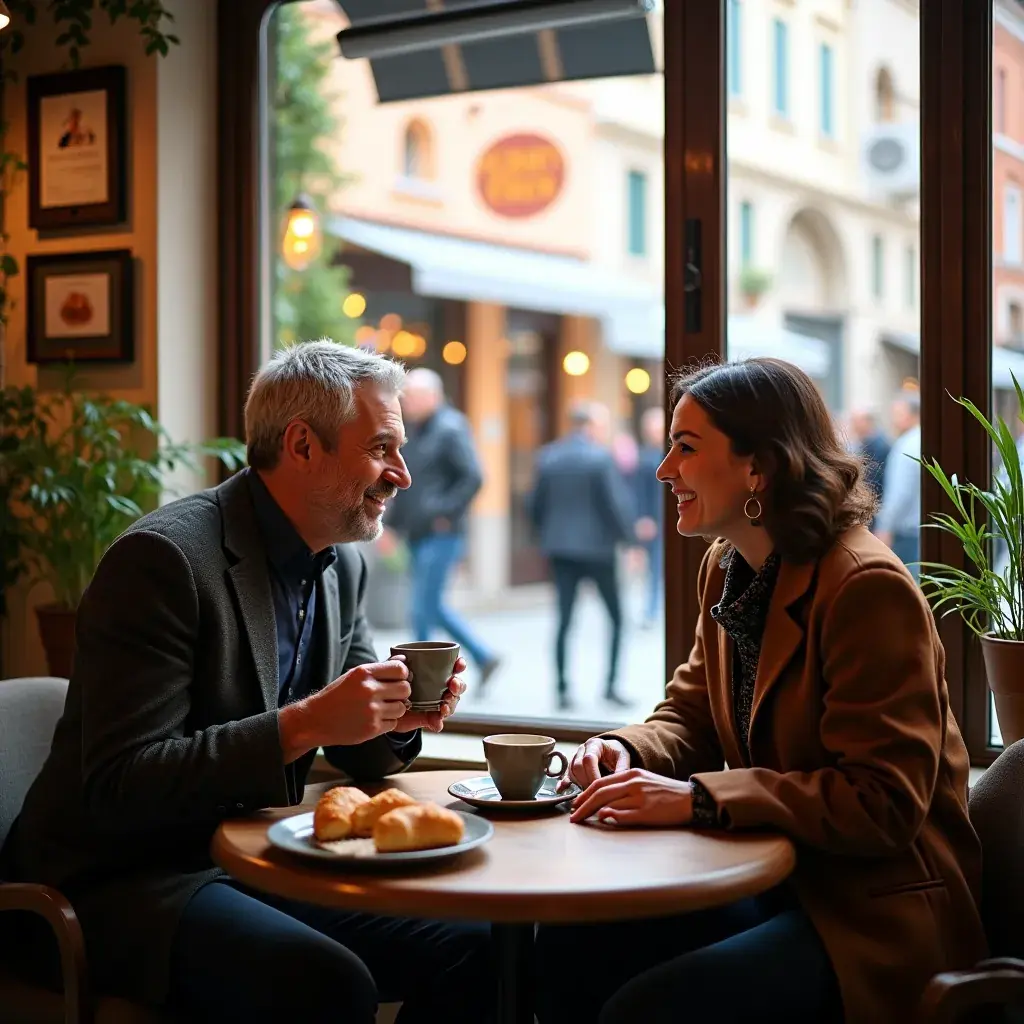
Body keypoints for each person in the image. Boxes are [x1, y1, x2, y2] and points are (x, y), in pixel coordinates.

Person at [1, 342, 493, 1023]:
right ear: (301, 446)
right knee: (322, 983)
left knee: (479, 945)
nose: (403, 475)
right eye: (382, 448)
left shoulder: (342, 566)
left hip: (246, 859)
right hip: (119, 878)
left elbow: (355, 744)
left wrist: (397, 715)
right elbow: (122, 785)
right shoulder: (163, 561)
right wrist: (305, 725)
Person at [535, 358, 985, 1024]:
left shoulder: (866, 587)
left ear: (758, 468)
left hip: (874, 908)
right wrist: (622, 750)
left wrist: (699, 801)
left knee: (650, 1008)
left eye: (685, 448)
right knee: (568, 950)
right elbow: (689, 716)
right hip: (783, 877)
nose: (663, 471)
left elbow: (882, 802)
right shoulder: (729, 565)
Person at [384, 367, 501, 689]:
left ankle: (422, 679)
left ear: (433, 396)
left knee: (422, 608)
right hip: (416, 533)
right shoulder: (414, 430)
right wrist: (391, 526)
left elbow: (473, 477)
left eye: (413, 396)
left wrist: (443, 512)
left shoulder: (451, 428)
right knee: (428, 605)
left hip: (442, 533)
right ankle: (482, 656)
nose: (407, 403)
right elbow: (408, 483)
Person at [529, 402, 635, 711]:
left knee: (564, 620)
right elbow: (614, 504)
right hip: (599, 550)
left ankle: (562, 689)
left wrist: (547, 536)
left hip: (561, 550)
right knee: (616, 618)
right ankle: (611, 686)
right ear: (589, 425)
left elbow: (534, 504)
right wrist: (630, 541)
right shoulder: (601, 458)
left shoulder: (549, 456)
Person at [874, 389, 922, 579]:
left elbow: (899, 494)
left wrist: (885, 528)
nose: (894, 421)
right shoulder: (924, 440)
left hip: (906, 534)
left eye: (898, 415)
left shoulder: (906, 445)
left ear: (913, 415)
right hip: (918, 531)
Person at [632, 406, 666, 628]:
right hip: (655, 521)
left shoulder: (669, 454)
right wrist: (643, 518)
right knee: (654, 568)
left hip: (673, 518)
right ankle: (652, 610)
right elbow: (638, 492)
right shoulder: (645, 459)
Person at [846, 407, 890, 517]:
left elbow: (873, 479)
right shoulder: (862, 442)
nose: (854, 425)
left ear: (868, 422)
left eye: (857, 421)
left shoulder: (878, 446)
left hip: (875, 505)